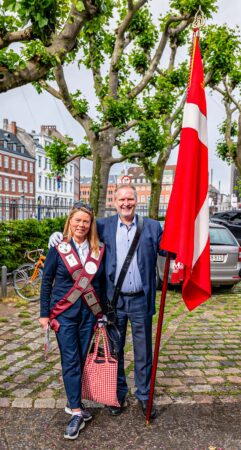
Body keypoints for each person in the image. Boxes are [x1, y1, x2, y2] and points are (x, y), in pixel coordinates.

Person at [49, 185, 163, 420]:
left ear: (136, 200)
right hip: (113, 302)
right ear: (115, 202)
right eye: (121, 199)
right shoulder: (103, 225)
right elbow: (78, 229)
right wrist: (56, 235)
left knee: (143, 352)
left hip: (141, 299)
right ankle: (118, 395)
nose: (126, 203)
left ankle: (144, 395)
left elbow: (168, 248)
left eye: (130, 198)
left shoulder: (152, 226)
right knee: (114, 350)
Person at [39, 202, 105, 440]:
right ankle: (75, 410)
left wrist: (101, 313)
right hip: (64, 314)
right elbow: (46, 283)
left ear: (90, 225)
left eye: (85, 221)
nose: (81, 225)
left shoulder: (98, 250)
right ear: (70, 221)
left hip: (89, 314)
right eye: (77, 220)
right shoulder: (59, 249)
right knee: (70, 360)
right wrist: (44, 314)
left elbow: (100, 284)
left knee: (79, 359)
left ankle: (74, 402)